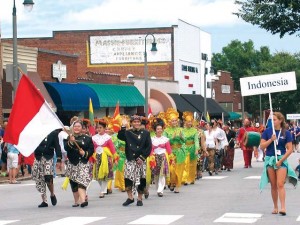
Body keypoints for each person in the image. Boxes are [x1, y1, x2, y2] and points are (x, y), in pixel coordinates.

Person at [259, 112, 297, 216]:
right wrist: (271, 140)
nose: (272, 121)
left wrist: (281, 161)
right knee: (273, 185)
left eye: (274, 119)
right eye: (271, 119)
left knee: (280, 184)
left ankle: (283, 207)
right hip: (270, 159)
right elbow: (262, 146)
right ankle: (275, 206)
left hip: (281, 159)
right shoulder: (267, 132)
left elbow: (289, 149)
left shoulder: (286, 133)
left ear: (280, 120)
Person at [117, 115, 152, 207]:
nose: (136, 124)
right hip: (130, 159)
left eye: (138, 122)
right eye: (134, 122)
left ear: (140, 123)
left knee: (141, 179)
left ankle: (140, 198)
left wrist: (142, 157)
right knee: (128, 178)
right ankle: (130, 197)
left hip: (141, 159)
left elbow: (149, 147)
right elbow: (120, 136)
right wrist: (123, 126)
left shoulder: (145, 133)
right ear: (131, 123)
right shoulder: (128, 133)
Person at [64, 120, 94, 208]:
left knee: (82, 181)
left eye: (78, 126)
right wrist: (71, 141)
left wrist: (84, 153)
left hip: (83, 163)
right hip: (72, 163)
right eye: (75, 126)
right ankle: (76, 201)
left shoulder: (87, 138)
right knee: (73, 182)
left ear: (82, 128)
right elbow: (66, 148)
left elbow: (91, 150)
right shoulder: (69, 137)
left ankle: (83, 200)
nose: (76, 128)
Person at [32, 129, 62, 208]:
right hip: (38, 158)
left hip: (48, 157)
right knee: (39, 179)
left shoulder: (53, 133)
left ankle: (52, 194)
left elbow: (57, 146)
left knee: (48, 177)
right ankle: (44, 200)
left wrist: (59, 159)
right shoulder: (36, 132)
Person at [92, 119, 116, 198]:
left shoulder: (107, 137)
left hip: (106, 157)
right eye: (97, 128)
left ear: (104, 128)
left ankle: (102, 191)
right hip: (97, 157)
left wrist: (115, 158)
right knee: (98, 176)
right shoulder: (94, 138)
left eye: (100, 127)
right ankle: (104, 189)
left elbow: (112, 148)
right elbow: (93, 148)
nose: (98, 129)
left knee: (105, 175)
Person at [163, 108, 185, 193]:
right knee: (171, 170)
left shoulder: (180, 130)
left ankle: (177, 186)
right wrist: (172, 138)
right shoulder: (166, 131)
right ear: (169, 122)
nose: (174, 122)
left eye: (175, 121)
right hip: (170, 152)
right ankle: (172, 182)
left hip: (179, 151)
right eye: (172, 121)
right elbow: (165, 141)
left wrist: (180, 137)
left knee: (179, 170)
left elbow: (184, 141)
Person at [150, 118, 171, 197]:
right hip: (155, 157)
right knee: (156, 175)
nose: (159, 130)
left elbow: (169, 150)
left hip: (163, 157)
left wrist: (171, 158)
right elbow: (150, 149)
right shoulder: (152, 139)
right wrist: (152, 156)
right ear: (155, 130)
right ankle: (157, 188)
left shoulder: (165, 139)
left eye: (160, 129)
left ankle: (160, 190)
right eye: (158, 129)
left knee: (162, 174)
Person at [182, 111, 199, 185]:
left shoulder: (194, 130)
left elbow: (196, 140)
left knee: (193, 164)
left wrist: (196, 149)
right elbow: (182, 140)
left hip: (192, 148)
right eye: (188, 122)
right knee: (186, 163)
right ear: (185, 122)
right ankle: (185, 178)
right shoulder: (182, 130)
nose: (189, 123)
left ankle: (192, 178)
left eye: (190, 122)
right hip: (185, 148)